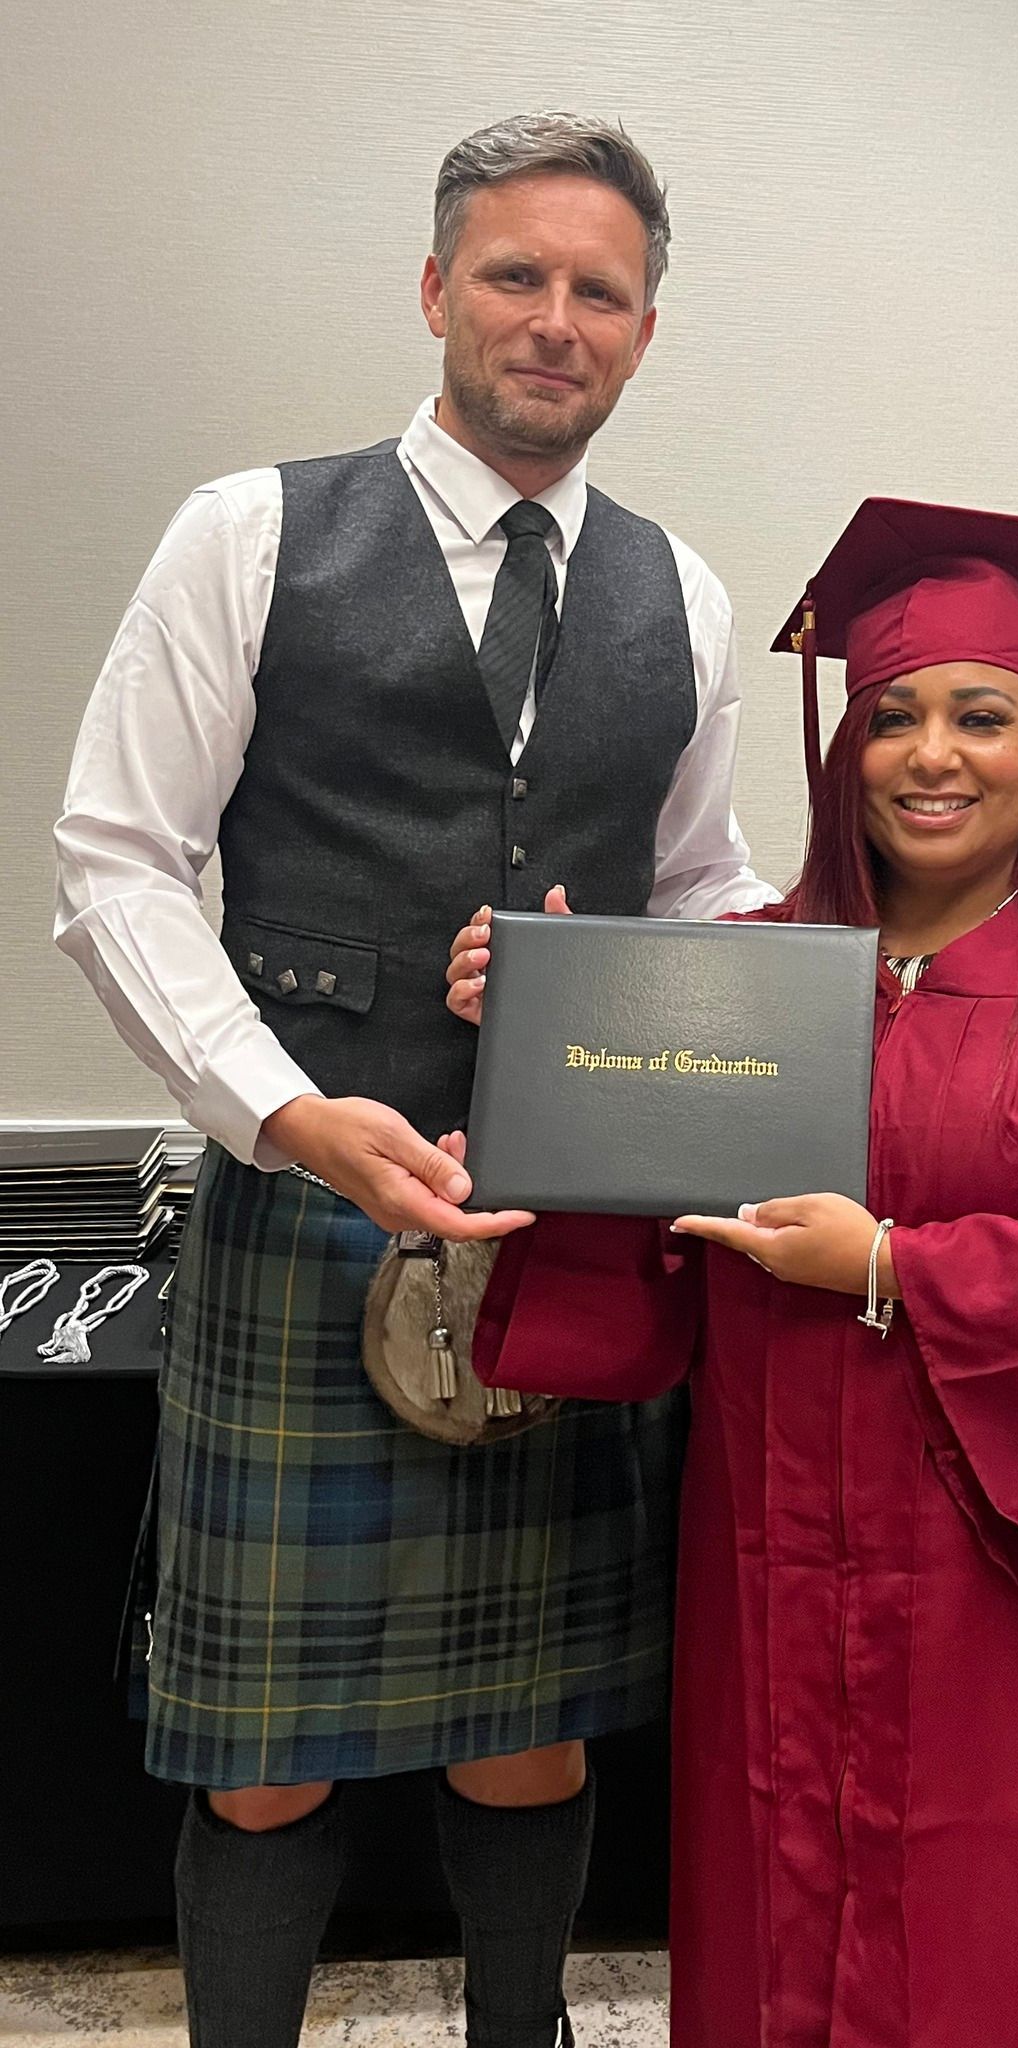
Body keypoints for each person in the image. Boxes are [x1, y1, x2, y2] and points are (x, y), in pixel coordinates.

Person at [54, 112, 774, 2048]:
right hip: (303, 1211)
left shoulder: (684, 597)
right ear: (437, 287)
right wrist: (285, 1110)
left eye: (600, 291)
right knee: (269, 1752)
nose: (557, 319)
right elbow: (115, 857)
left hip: (565, 1234)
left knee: (530, 1730)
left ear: (645, 330)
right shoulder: (252, 528)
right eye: (518, 275)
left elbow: (702, 883)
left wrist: (618, 980)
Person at [449, 498, 1018, 2048]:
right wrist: (546, 1034)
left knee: (1009, 1905)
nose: (933, 753)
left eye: (982, 716)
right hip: (777, 1546)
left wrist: (897, 1263)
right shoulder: (747, 976)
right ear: (846, 747)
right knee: (783, 1878)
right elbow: (637, 1230)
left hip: (1007, 1564)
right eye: (892, 714)